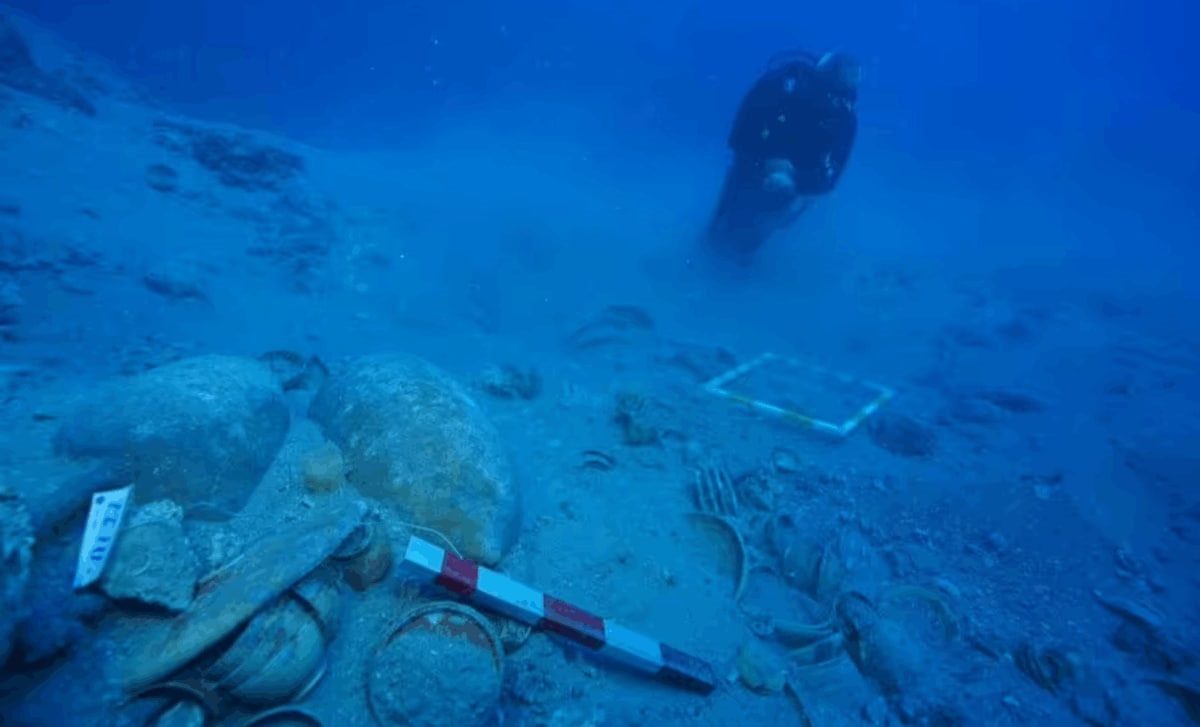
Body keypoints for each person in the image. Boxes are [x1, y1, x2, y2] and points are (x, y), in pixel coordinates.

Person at [705, 50, 860, 265]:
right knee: (721, 226)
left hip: (794, 182)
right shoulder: (782, 85)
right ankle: (708, 257)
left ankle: (735, 268)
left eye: (855, 76)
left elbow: (833, 172)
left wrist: (796, 180)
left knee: (748, 240)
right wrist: (766, 162)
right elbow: (741, 131)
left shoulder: (844, 115)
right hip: (751, 163)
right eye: (849, 73)